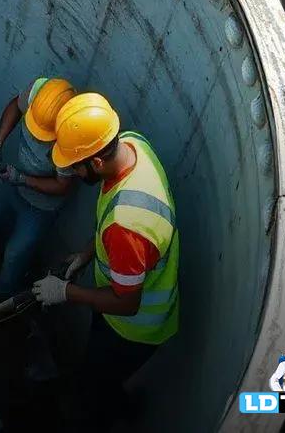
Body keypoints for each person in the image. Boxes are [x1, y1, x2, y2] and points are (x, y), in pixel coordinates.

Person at [30, 93, 178, 430]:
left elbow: (126, 304)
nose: (71, 171)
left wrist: (65, 292)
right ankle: (115, 406)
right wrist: (85, 254)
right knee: (99, 378)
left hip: (133, 329)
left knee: (93, 387)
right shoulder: (131, 144)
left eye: (75, 165)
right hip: (128, 311)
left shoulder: (126, 227)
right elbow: (112, 227)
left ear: (96, 162)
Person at [0, 77, 78, 303]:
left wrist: (23, 179)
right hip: (13, 182)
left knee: (15, 254)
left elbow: (62, 185)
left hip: (41, 207)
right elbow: (14, 106)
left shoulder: (73, 137)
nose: (37, 137)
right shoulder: (37, 93)